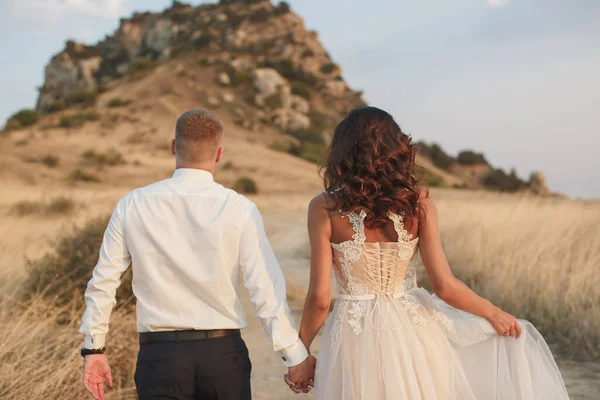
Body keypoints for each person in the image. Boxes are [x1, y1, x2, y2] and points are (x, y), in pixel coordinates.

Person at [291, 106, 570, 399]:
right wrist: (493, 313)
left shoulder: (325, 207)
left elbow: (320, 300)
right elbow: (445, 286)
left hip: (353, 334)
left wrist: (299, 354)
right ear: (396, 150)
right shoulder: (418, 202)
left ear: (342, 154)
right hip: (414, 332)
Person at [80, 108, 315, 400]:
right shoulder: (239, 209)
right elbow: (265, 289)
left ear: (173, 146)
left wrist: (94, 348)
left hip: (160, 357)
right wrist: (294, 356)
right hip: (223, 357)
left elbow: (103, 281)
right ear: (219, 154)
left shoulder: (133, 205)